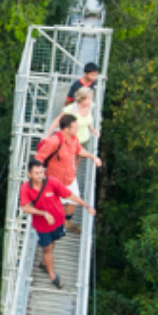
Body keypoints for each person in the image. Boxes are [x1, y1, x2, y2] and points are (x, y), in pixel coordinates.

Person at [20, 158, 92, 290]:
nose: (40, 176)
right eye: (36, 173)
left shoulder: (52, 182)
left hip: (58, 222)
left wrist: (86, 205)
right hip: (43, 226)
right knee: (47, 248)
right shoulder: (26, 188)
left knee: (52, 243)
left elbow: (69, 195)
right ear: (29, 175)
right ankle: (52, 276)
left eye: (42, 172)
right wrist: (43, 213)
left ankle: (44, 263)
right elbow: (25, 207)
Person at [35, 114, 101, 231]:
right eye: (75, 128)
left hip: (69, 178)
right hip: (54, 181)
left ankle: (66, 221)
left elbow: (79, 150)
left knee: (72, 203)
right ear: (66, 129)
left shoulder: (74, 139)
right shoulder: (54, 141)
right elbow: (39, 157)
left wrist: (92, 157)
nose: (78, 130)